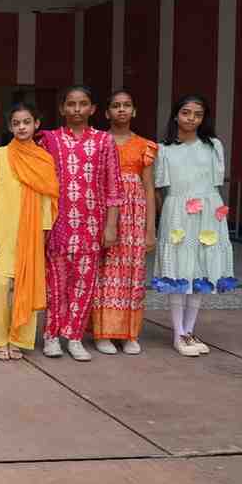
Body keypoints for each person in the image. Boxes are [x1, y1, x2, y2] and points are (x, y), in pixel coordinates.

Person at [39, 85, 121, 362]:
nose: (77, 109)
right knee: (55, 284)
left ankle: (74, 337)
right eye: (71, 104)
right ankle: (51, 336)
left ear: (93, 108)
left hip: (91, 224)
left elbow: (113, 187)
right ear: (62, 108)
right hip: (57, 224)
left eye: (83, 103)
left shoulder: (104, 141)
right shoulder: (49, 140)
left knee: (84, 284)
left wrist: (111, 226)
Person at [152, 95, 238, 356]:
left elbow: (215, 183)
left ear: (203, 118)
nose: (191, 118)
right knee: (179, 268)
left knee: (200, 267)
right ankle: (178, 333)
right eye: (186, 112)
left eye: (197, 114)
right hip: (177, 211)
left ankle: (189, 330)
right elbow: (159, 188)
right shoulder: (163, 149)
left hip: (209, 211)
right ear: (176, 115)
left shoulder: (213, 146)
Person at [0, 104, 58, 360]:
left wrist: (43, 234)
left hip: (30, 231)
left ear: (36, 124)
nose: (22, 127)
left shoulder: (44, 159)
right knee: (0, 285)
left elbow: (47, 199)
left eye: (26, 122)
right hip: (1, 229)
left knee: (26, 285)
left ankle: (18, 339)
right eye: (16, 123)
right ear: (10, 127)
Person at [91, 90, 157, 355]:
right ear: (107, 112)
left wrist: (150, 228)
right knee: (104, 272)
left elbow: (149, 187)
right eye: (116, 106)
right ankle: (103, 332)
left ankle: (129, 333)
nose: (121, 110)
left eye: (126, 105)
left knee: (132, 272)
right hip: (104, 210)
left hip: (134, 214)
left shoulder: (145, 145)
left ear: (134, 111)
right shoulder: (98, 142)